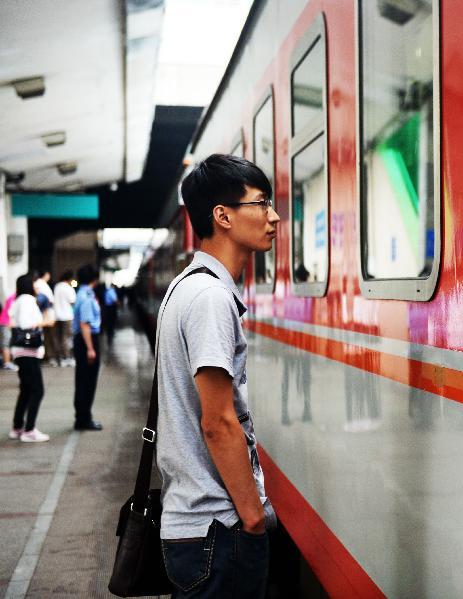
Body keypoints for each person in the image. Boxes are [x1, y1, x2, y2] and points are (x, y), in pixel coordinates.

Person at [157, 154, 279, 598]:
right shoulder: (210, 297)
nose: (274, 216)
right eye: (261, 204)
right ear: (223, 216)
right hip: (215, 527)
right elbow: (218, 421)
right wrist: (251, 518)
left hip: (195, 525)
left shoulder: (186, 286)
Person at [8, 274, 52, 442]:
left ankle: (17, 427)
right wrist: (45, 323)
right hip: (29, 351)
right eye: (35, 283)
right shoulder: (27, 300)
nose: (38, 286)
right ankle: (29, 430)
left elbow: (13, 322)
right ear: (29, 284)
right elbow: (27, 324)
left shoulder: (18, 300)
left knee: (26, 389)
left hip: (20, 350)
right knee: (37, 390)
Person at [72, 264, 103, 431]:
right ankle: (83, 419)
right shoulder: (87, 296)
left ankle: (82, 417)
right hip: (87, 340)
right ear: (94, 278)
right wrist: (90, 348)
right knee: (87, 381)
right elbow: (85, 324)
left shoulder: (82, 294)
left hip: (83, 340)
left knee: (83, 380)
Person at [34, 271, 58, 365]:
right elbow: (44, 302)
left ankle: (47, 357)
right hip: (45, 315)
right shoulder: (40, 284)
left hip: (45, 314)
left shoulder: (41, 284)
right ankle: (49, 357)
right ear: (46, 274)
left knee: (47, 337)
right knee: (49, 337)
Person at [53, 271, 77, 367]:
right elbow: (73, 301)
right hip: (67, 316)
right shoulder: (68, 288)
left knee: (58, 338)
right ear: (70, 279)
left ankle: (60, 358)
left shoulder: (57, 286)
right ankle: (67, 358)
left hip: (57, 316)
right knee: (67, 338)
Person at [0, 292, 17, 372]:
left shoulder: (14, 296)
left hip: (6, 322)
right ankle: (7, 363)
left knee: (6, 343)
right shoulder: (14, 297)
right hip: (6, 323)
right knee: (6, 343)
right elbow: (10, 312)